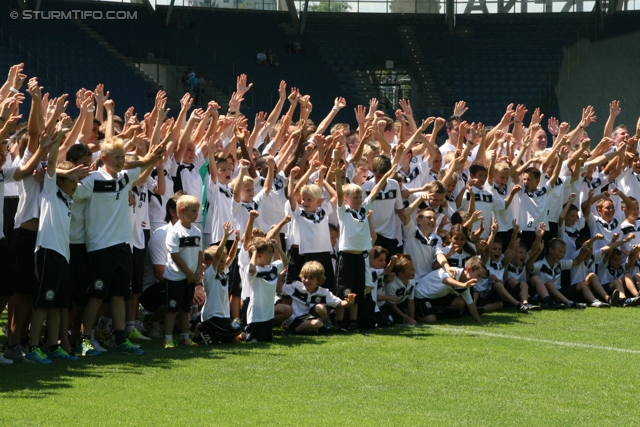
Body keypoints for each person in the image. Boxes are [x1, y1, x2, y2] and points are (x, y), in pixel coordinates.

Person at [163, 195, 203, 349]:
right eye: (193, 211)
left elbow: (199, 252)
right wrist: (188, 273)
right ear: (182, 211)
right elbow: (174, 255)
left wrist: (199, 269)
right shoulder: (175, 232)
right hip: (175, 277)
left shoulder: (196, 231)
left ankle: (185, 337)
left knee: (186, 309)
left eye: (197, 211)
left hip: (190, 278)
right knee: (172, 309)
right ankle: (167, 338)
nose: (196, 214)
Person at [281, 261, 355, 335]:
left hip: (310, 318)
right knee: (317, 323)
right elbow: (279, 289)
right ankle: (292, 331)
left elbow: (340, 303)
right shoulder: (296, 287)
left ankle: (317, 328)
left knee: (320, 309)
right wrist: (279, 276)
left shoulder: (323, 292)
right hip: (294, 319)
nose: (306, 281)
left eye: (311, 278)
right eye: (305, 277)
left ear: (318, 280)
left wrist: (349, 301)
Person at [243, 237, 289, 342]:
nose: (272, 255)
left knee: (267, 339)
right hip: (256, 315)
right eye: (269, 252)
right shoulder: (253, 269)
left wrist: (276, 247)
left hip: (268, 314)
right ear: (259, 255)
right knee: (253, 340)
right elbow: (251, 269)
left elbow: (286, 261)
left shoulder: (273, 267)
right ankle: (241, 333)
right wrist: (254, 252)